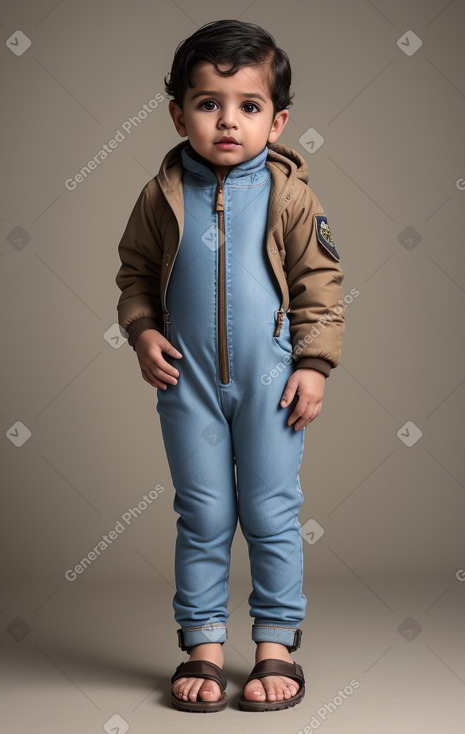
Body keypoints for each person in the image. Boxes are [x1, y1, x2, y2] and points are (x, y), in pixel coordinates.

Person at [115, 19, 344, 713]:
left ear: (275, 122)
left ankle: (274, 643)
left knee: (271, 511)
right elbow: (133, 276)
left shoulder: (292, 197)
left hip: (271, 381)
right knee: (204, 513)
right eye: (207, 103)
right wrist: (142, 331)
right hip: (187, 383)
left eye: (247, 106)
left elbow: (319, 284)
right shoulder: (160, 196)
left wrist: (312, 364)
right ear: (177, 112)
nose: (225, 121)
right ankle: (204, 647)